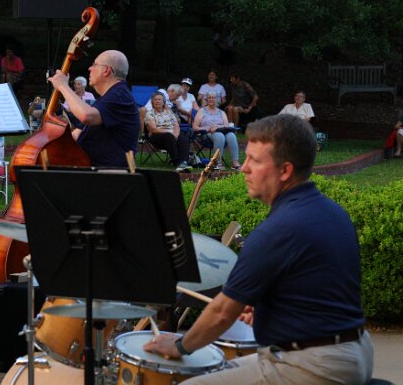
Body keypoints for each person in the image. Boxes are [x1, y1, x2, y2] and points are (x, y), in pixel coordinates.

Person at [143, 114, 374, 385]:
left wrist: (180, 346)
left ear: (285, 171)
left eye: (255, 160)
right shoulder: (331, 212)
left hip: (315, 365)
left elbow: (222, 312)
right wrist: (272, 313)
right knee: (214, 369)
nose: (244, 168)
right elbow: (318, 291)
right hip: (351, 350)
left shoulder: (278, 230)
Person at [47, 50, 140, 167]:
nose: (90, 68)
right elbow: (78, 134)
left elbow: (87, 116)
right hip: (93, 169)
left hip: (110, 173)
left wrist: (63, 86)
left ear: (106, 70)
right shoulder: (108, 98)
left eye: (94, 64)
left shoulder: (119, 95)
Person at [144, 91, 192, 172]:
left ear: (163, 102)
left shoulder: (169, 112)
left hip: (172, 134)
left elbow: (176, 125)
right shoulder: (150, 113)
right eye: (155, 100)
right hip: (156, 136)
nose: (157, 101)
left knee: (183, 137)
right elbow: (153, 129)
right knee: (168, 136)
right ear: (152, 102)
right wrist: (169, 132)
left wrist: (176, 134)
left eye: (159, 99)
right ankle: (176, 161)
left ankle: (184, 162)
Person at [192, 91, 240, 170]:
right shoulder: (202, 111)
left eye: (213, 97)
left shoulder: (222, 112)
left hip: (221, 131)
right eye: (209, 98)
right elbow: (195, 127)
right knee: (219, 136)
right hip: (206, 134)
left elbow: (226, 126)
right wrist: (207, 128)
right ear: (207, 99)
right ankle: (217, 162)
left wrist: (217, 127)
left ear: (217, 99)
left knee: (231, 135)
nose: (211, 99)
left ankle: (235, 162)